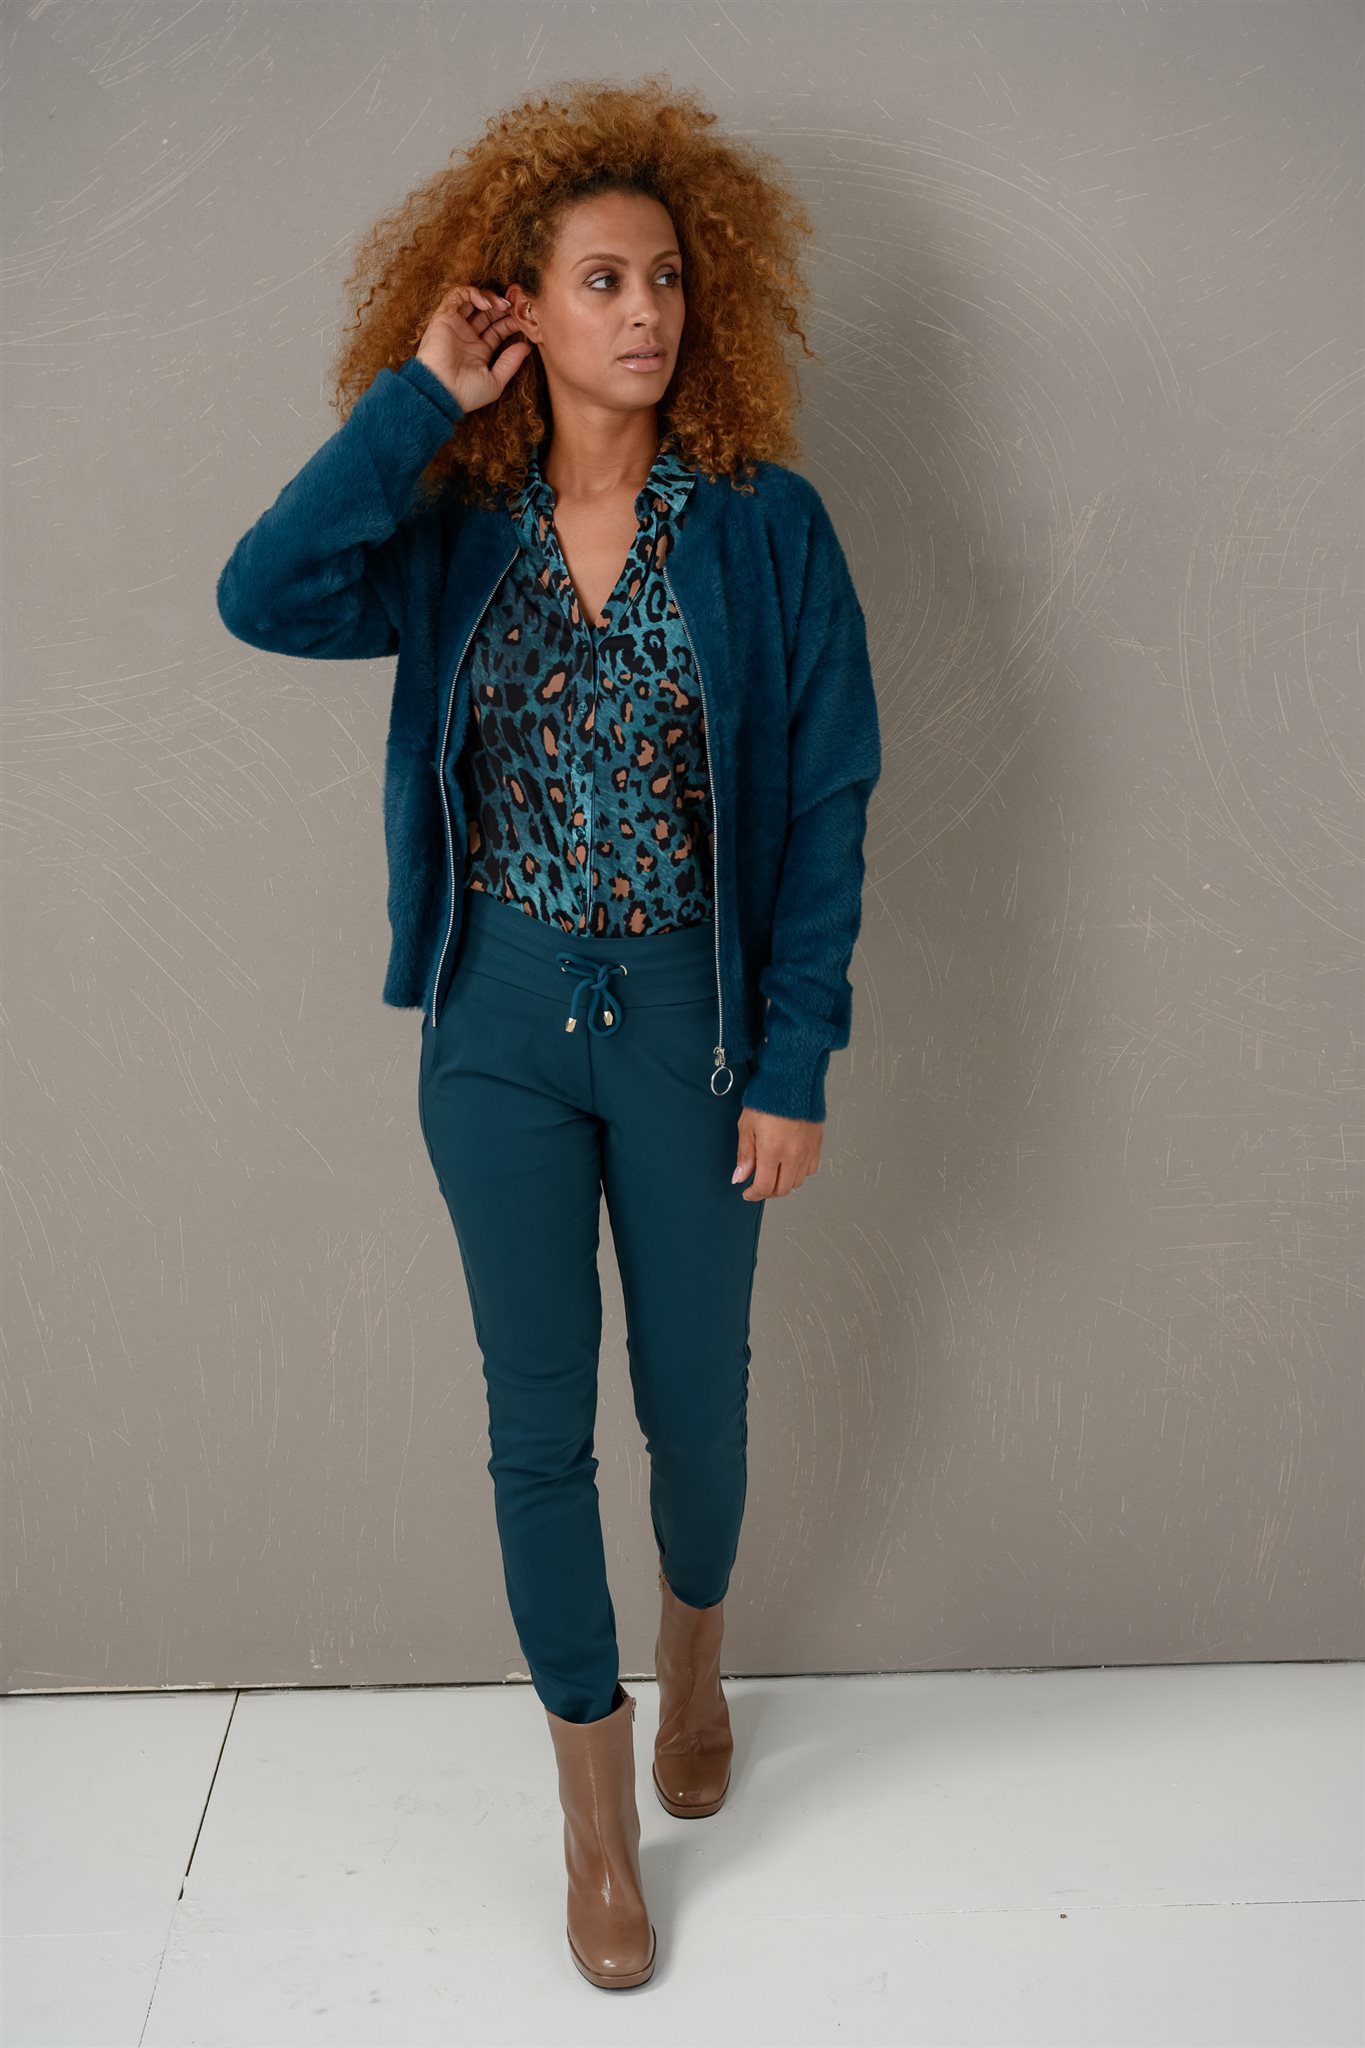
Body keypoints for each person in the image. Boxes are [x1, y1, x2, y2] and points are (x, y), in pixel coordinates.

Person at [216, 75, 882, 1993]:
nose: (645, 311)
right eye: (601, 280)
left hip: (687, 1023)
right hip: (497, 1019)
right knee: (533, 1428)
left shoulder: (762, 531)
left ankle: (693, 1654)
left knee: (696, 1407)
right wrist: (422, 398)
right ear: (523, 305)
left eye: (665, 277)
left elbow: (826, 799)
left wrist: (793, 1060)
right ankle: (594, 1821)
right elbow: (264, 595)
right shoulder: (453, 528)